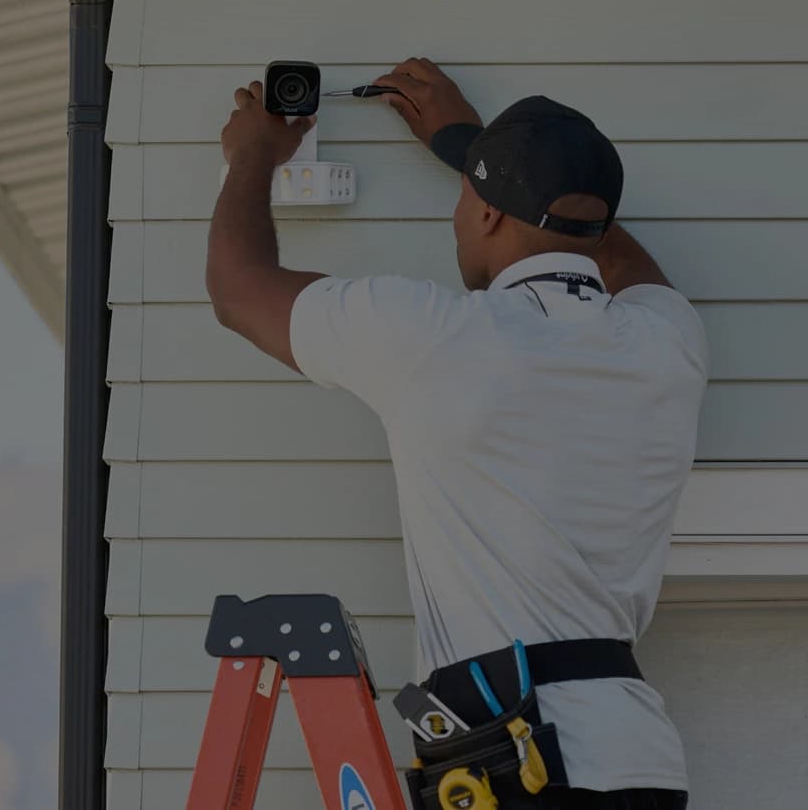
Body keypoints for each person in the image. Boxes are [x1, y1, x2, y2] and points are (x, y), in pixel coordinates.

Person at [206, 58, 706, 810]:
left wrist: (252, 154)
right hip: (640, 758)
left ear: (489, 214)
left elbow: (237, 290)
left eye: (466, 196)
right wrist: (475, 155)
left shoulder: (441, 338)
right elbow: (610, 251)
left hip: (525, 761)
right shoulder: (666, 341)